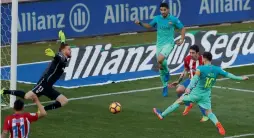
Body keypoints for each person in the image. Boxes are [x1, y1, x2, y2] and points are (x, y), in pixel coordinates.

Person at [153, 52, 249, 136]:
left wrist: (189, 88)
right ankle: (218, 125)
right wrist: (241, 78)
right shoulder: (217, 69)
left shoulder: (201, 68)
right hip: (205, 96)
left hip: (195, 93)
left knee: (178, 101)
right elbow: (229, 75)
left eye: (202, 58)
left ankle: (162, 114)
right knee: (209, 113)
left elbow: (194, 78)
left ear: (204, 58)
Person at [1, 30, 71, 111]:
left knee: (64, 101)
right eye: (69, 49)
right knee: (27, 96)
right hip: (43, 84)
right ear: (64, 51)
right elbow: (59, 58)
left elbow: (61, 51)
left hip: (48, 87)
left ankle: (43, 109)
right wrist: (54, 55)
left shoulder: (62, 55)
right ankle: (3, 91)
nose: (71, 51)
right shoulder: (61, 57)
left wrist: (62, 40)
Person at [135, 2, 185, 97]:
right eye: (161, 10)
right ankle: (165, 86)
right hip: (159, 45)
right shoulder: (157, 18)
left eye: (164, 10)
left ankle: (167, 72)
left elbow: (182, 28)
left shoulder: (173, 19)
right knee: (161, 66)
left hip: (169, 44)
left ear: (168, 10)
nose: (163, 12)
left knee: (160, 59)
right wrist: (140, 23)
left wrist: (182, 39)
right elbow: (149, 26)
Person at [168, 45, 208, 122]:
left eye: (193, 53)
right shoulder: (187, 59)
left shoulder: (203, 60)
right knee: (179, 90)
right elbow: (186, 70)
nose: (191, 54)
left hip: (200, 82)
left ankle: (205, 115)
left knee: (198, 98)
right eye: (190, 52)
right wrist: (178, 81)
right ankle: (188, 104)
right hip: (190, 80)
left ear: (197, 53)